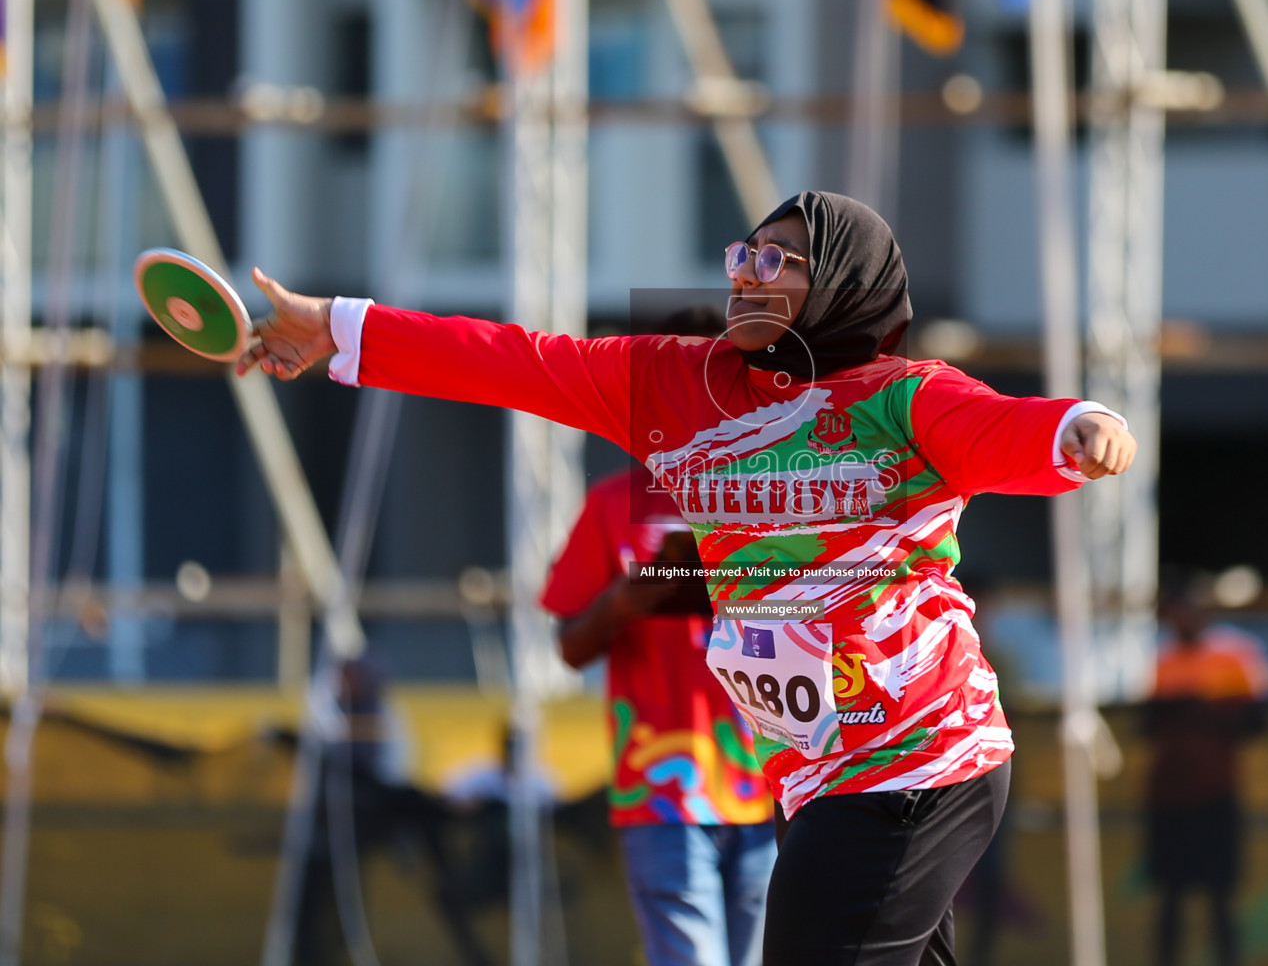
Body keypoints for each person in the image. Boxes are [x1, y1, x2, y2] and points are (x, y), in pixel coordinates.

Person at [238, 190, 1137, 965]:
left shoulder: (903, 395)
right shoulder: (672, 383)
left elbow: (1008, 428)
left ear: (844, 284)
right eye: (744, 253)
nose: (747, 272)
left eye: (780, 259)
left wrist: (1084, 425)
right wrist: (333, 327)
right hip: (812, 772)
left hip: (921, 754)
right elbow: (511, 359)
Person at [545, 458, 777, 966]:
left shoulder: (782, 496)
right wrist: (618, 605)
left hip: (777, 782)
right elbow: (568, 646)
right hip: (662, 788)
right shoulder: (612, 503)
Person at [1143, 571, 1268, 966]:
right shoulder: (1161, 659)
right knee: (1170, 896)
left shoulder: (1237, 653)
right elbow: (1147, 725)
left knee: (1220, 896)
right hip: (1169, 795)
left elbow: (1260, 719)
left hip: (1215, 793)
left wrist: (1207, 713)